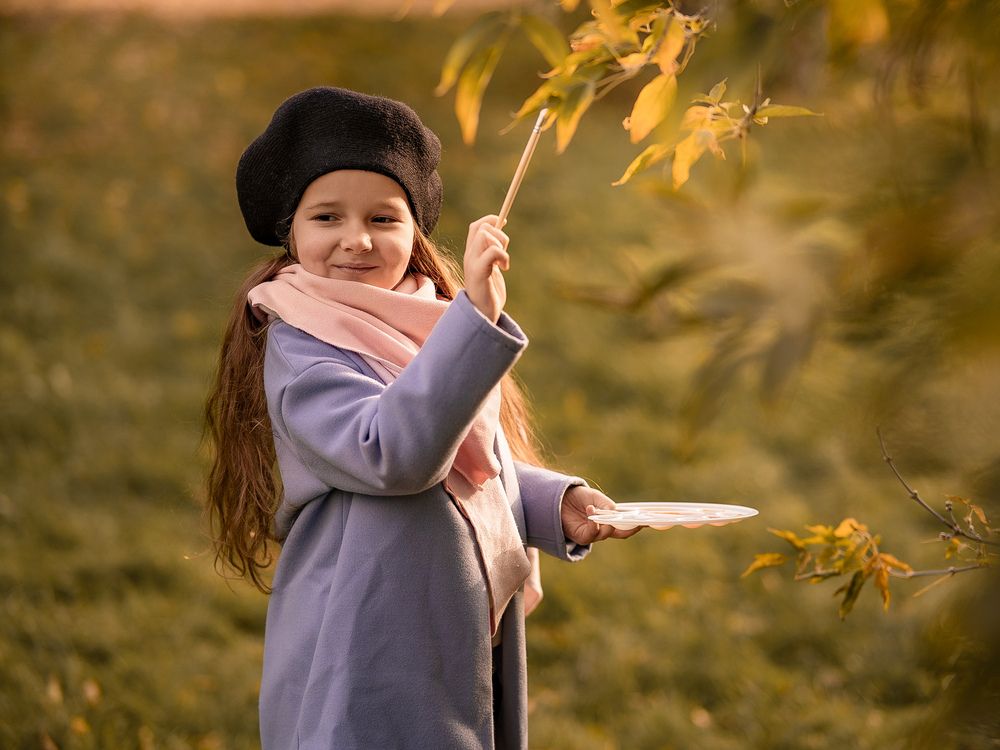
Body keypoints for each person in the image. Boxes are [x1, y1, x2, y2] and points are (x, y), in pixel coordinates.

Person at [204, 86, 638, 750]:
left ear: (414, 232)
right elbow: (393, 452)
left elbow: (466, 457)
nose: (356, 239)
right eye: (327, 216)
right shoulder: (302, 349)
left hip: (446, 637)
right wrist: (474, 323)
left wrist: (553, 504)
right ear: (291, 231)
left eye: (383, 218)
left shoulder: (424, 319)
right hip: (365, 654)